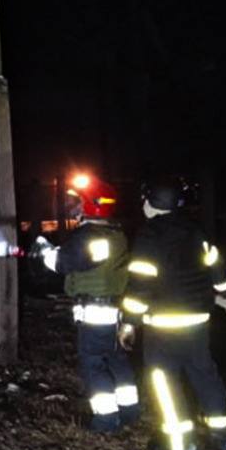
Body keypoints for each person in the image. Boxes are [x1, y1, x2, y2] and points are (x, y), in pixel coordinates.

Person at [118, 178, 226, 450]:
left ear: (150, 203)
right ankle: (222, 439)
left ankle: (180, 443)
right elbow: (218, 270)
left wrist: (129, 322)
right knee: (205, 375)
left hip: (163, 326)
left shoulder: (149, 237)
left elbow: (140, 285)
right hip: (197, 322)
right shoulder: (196, 232)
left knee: (164, 381)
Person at [34, 173, 139, 432]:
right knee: (116, 360)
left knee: (93, 364)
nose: (74, 207)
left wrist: (43, 250)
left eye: (78, 202)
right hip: (115, 310)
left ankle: (106, 419)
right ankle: (129, 411)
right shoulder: (115, 233)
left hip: (95, 312)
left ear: (91, 205)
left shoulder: (90, 236)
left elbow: (64, 263)